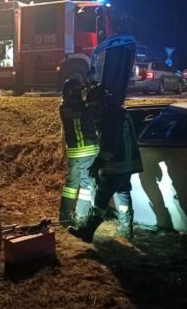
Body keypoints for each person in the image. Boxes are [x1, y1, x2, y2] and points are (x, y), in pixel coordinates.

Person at [68, 84, 143, 243]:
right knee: (123, 193)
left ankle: (88, 231)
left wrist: (97, 164)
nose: (94, 111)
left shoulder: (109, 117)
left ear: (103, 103)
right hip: (128, 163)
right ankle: (126, 229)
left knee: (101, 197)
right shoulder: (119, 112)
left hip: (115, 165)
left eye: (95, 107)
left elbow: (110, 146)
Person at [58, 78, 99, 226]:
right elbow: (92, 110)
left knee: (71, 185)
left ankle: (64, 215)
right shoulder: (85, 108)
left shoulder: (63, 108)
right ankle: (81, 216)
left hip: (74, 153)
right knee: (87, 185)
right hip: (88, 152)